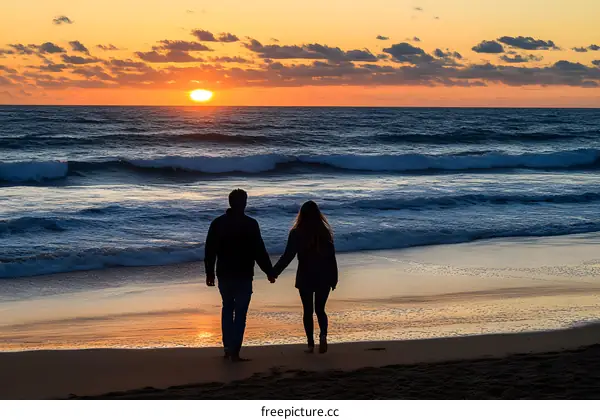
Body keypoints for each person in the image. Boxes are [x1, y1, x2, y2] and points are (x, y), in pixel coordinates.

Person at [205, 189, 275, 362]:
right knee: (240, 313)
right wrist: (269, 272)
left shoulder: (218, 223)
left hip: (224, 273)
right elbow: (259, 251)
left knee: (227, 308)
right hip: (243, 274)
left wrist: (209, 272)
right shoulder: (250, 224)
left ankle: (228, 347)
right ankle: (234, 350)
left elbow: (210, 250)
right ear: (244, 203)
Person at [273, 200, 338, 354]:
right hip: (324, 276)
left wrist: (274, 272)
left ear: (301, 214)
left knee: (308, 310)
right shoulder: (325, 232)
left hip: (305, 276)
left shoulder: (296, 233)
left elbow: (288, 256)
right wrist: (334, 278)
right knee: (320, 309)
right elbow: (331, 257)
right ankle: (323, 335)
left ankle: (310, 344)